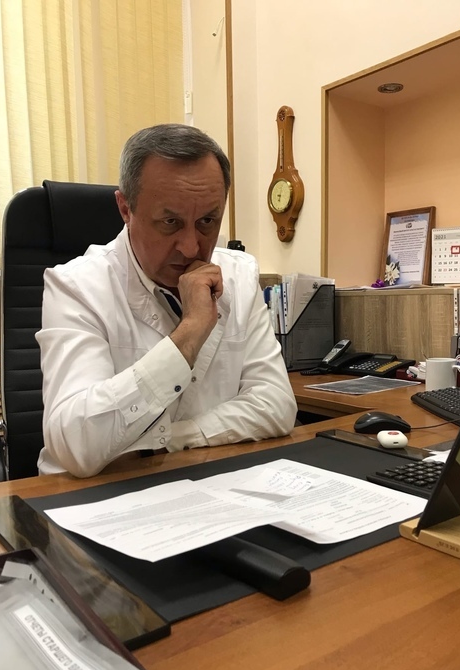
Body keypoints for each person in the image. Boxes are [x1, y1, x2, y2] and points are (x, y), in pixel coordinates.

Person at [36, 123, 297, 477]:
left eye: (207, 221)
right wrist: (189, 334)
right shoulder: (77, 286)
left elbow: (276, 404)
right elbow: (76, 444)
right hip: (96, 496)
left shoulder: (239, 275)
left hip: (205, 481)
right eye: (170, 222)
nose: (191, 247)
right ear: (125, 208)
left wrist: (171, 439)